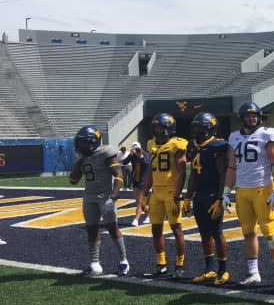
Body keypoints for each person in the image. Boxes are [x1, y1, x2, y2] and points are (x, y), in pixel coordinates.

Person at [225, 102, 274, 290]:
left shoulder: (267, 133)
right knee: (248, 232)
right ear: (242, 118)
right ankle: (254, 273)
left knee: (269, 233)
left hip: (262, 190)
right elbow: (231, 166)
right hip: (242, 191)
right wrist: (226, 192)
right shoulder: (234, 137)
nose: (252, 119)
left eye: (254, 115)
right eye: (248, 116)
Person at [69, 125, 130, 276]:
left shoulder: (106, 152)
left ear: (93, 142)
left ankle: (124, 261)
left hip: (105, 196)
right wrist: (78, 161)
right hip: (89, 197)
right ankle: (95, 264)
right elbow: (73, 180)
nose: (80, 145)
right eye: (79, 142)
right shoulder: (81, 155)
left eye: (83, 142)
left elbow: (118, 175)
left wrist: (114, 196)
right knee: (91, 229)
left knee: (112, 228)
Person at [184, 112, 231, 286]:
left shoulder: (217, 145)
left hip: (212, 195)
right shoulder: (192, 145)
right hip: (199, 196)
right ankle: (210, 268)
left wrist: (220, 198)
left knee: (217, 233)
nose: (198, 130)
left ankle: (223, 269)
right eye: (196, 126)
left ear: (211, 128)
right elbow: (193, 176)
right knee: (204, 234)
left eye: (202, 127)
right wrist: (187, 197)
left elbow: (222, 173)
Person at [142, 113, 188, 279]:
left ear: (169, 129)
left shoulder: (177, 145)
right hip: (156, 192)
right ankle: (161, 264)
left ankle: (179, 265)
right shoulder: (150, 144)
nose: (157, 130)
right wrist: (144, 195)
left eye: (160, 127)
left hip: (171, 191)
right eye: (155, 126)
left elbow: (182, 172)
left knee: (176, 229)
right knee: (156, 230)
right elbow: (150, 172)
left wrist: (177, 195)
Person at [122, 142, 151, 226]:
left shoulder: (145, 155)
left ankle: (136, 219)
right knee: (139, 201)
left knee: (140, 202)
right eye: (134, 149)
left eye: (137, 149)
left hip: (144, 181)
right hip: (135, 180)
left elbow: (147, 164)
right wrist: (130, 154)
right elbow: (124, 162)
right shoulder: (133, 156)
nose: (136, 151)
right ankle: (149, 215)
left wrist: (140, 156)